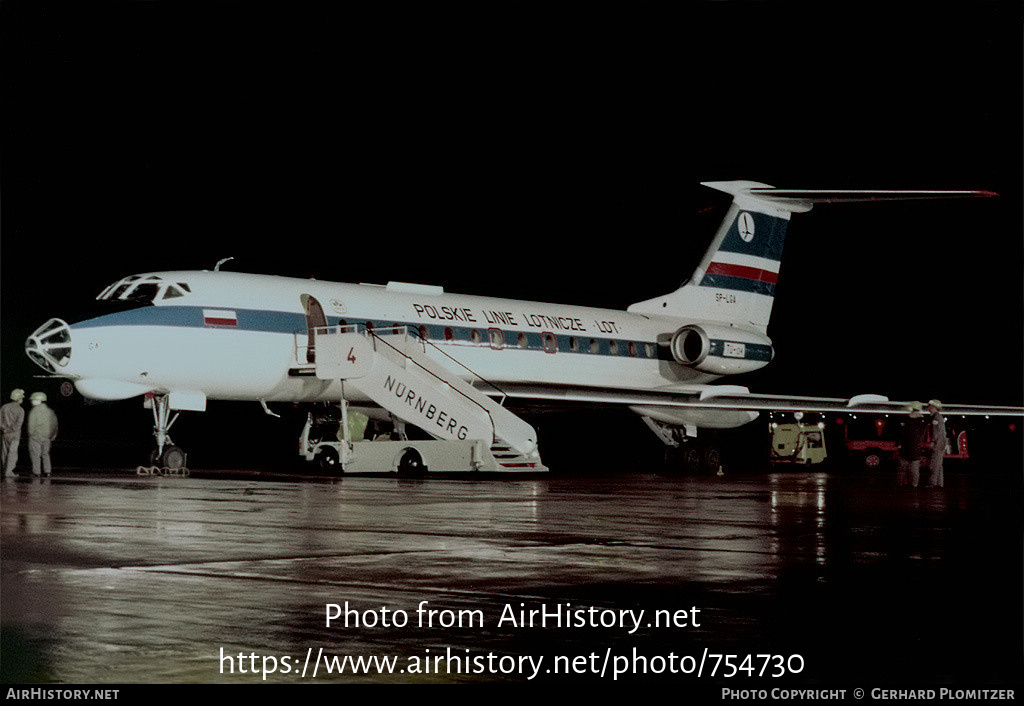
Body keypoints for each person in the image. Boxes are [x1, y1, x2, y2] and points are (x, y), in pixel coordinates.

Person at [896, 402, 927, 487]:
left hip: (905, 449)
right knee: (915, 470)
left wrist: (898, 444)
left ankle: (900, 484)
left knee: (902, 470)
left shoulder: (906, 420)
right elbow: (923, 436)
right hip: (916, 449)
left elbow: (901, 434)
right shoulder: (923, 422)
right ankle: (914, 485)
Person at [27, 392, 58, 477]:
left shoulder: (34, 411)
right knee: (45, 454)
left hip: (36, 436)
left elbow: (31, 426)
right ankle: (47, 471)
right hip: (47, 437)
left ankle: (36, 472)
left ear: (38, 400)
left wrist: (31, 434)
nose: (31, 401)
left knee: (35, 455)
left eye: (33, 400)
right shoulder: (50, 411)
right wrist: (53, 435)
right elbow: (55, 424)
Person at [1, 389, 26, 477]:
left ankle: (4, 470)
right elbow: (18, 425)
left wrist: (5, 429)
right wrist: (11, 429)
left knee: (4, 452)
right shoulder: (20, 410)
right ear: (19, 398)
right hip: (15, 434)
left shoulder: (4, 407)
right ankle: (9, 472)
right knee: (12, 453)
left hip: (4, 433)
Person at [924, 399, 946, 488]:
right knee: (938, 465)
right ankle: (939, 483)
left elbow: (936, 432)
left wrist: (933, 442)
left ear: (934, 407)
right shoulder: (939, 417)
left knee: (934, 465)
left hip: (938, 444)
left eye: (930, 406)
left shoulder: (936, 417)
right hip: (941, 444)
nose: (929, 408)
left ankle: (932, 483)